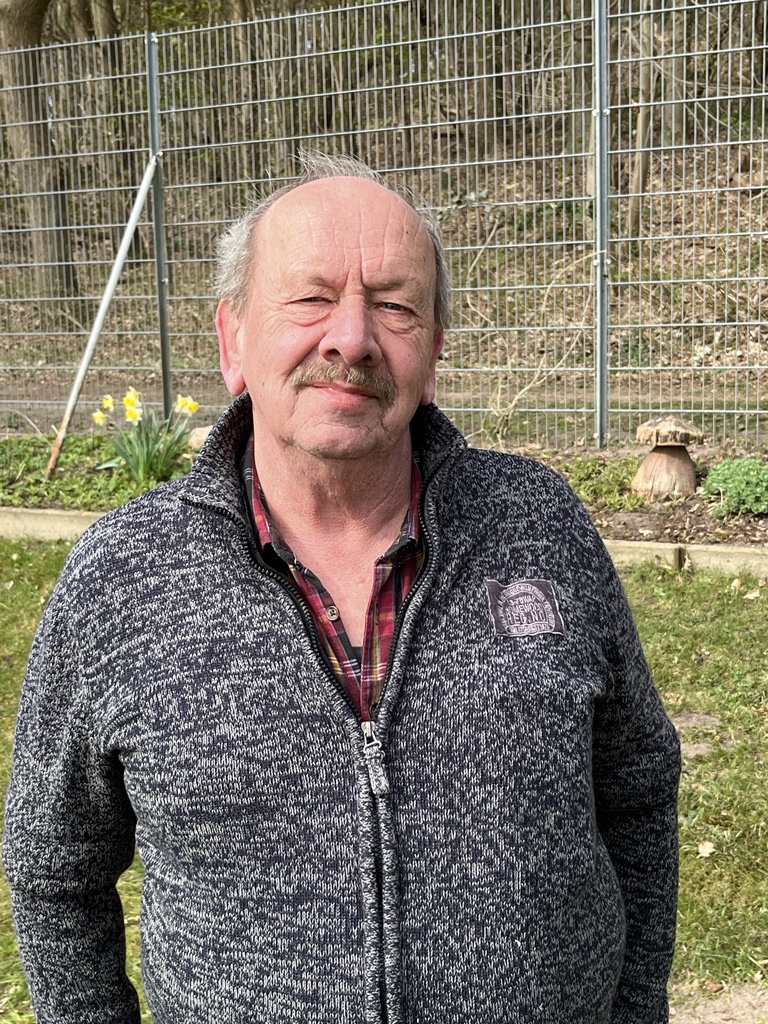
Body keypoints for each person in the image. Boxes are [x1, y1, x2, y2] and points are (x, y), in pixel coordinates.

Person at [4, 152, 681, 1024]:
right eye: (310, 298)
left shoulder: (539, 525)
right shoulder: (121, 578)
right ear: (232, 340)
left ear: (432, 353)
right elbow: (55, 869)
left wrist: (635, 1007)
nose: (351, 339)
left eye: (395, 305)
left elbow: (638, 786)